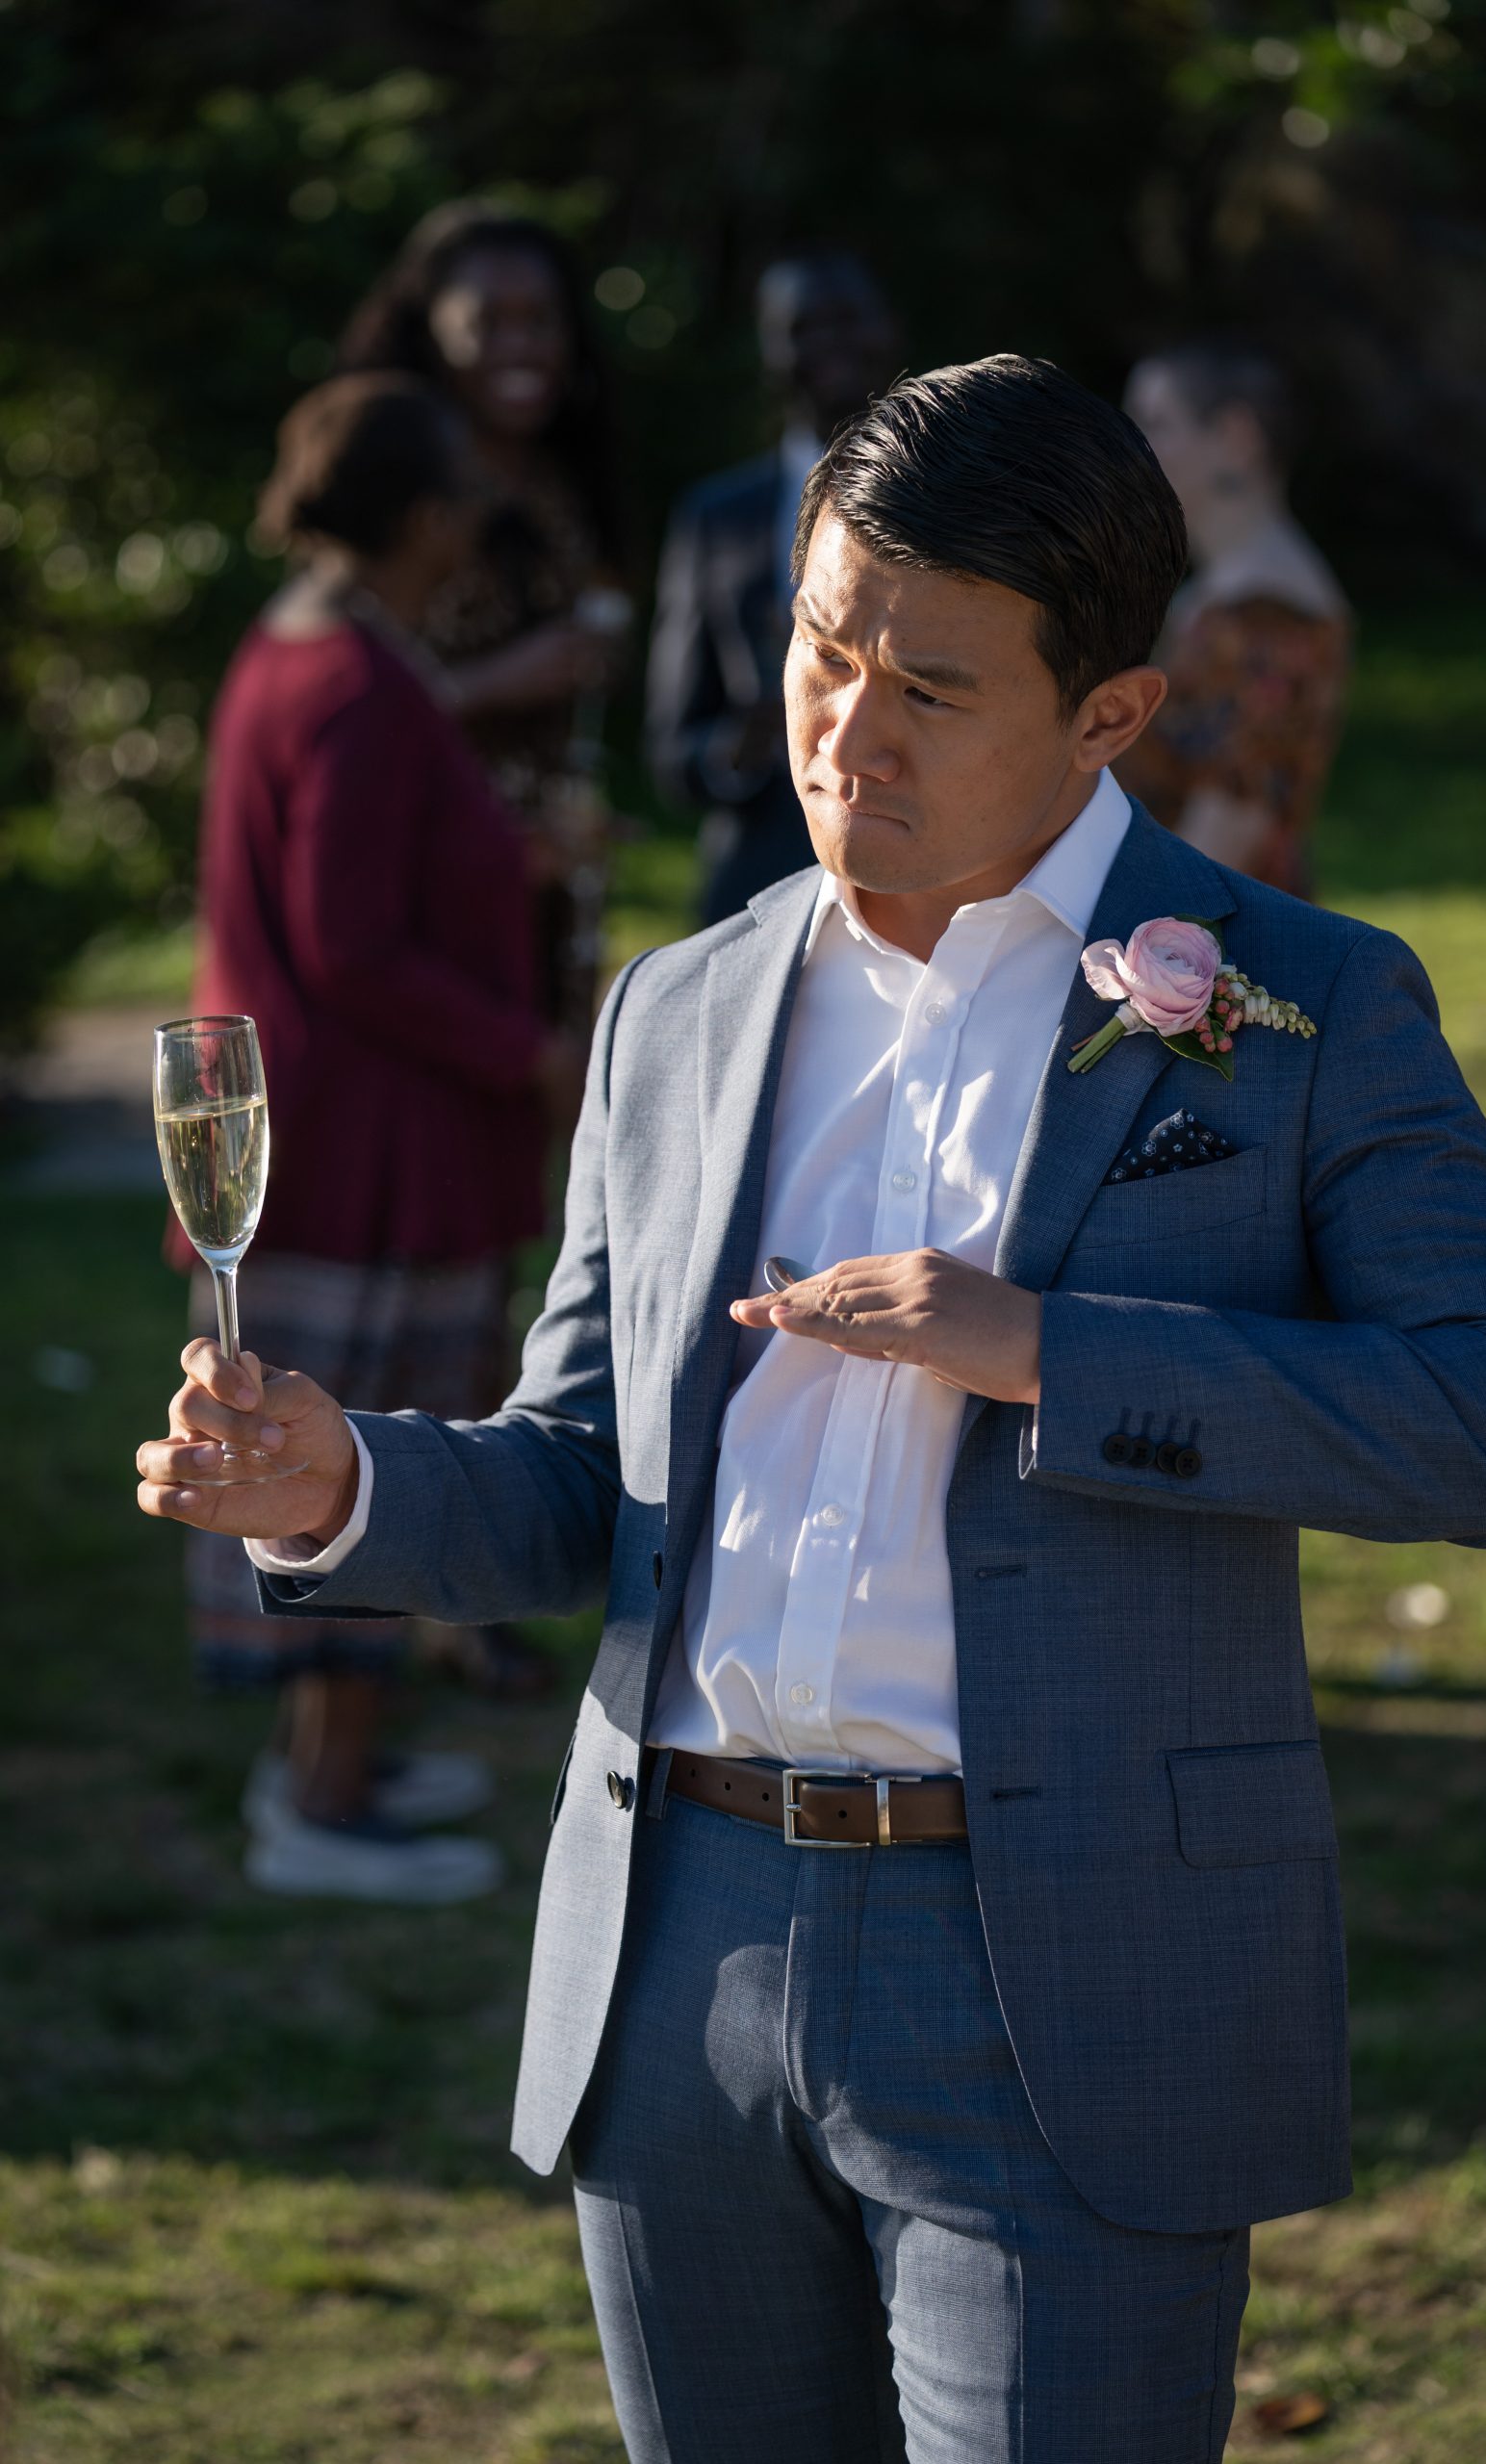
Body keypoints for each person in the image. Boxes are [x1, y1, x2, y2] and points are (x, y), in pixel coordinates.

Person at [137, 356, 1486, 2458]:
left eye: (929, 686)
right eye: (823, 651)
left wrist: (1049, 1350)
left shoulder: (1296, 1005)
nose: (845, 731)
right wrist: (346, 1484)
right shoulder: (677, 1008)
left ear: (1109, 713)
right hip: (679, 1952)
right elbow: (589, 1476)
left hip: (1066, 1966)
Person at [174, 371, 564, 1904]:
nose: (475, 512)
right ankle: (324, 1807)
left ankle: (329, 1767)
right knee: (349, 1457)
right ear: (414, 517)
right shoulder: (349, 680)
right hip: (363, 1151)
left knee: (348, 1436)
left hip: (335, 1133)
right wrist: (530, 1053)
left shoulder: (298, 646)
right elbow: (349, 942)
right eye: (457, 487)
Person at [340, 200, 632, 1048]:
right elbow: (336, 703)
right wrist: (498, 681)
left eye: (540, 321)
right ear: (430, 332)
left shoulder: (568, 478)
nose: (521, 346)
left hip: (552, 877)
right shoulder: (387, 497)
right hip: (424, 876)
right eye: (488, 322)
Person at [647, 250, 900, 925]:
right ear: (768, 350)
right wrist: (739, 747)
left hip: (921, 877)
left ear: (888, 331)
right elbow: (673, 747)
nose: (829, 343)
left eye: (846, 320)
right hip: (758, 880)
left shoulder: (958, 505)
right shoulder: (716, 518)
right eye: (801, 327)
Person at [1119, 340, 1350, 898]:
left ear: (1235, 439)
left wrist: (1136, 932)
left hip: (1200, 933)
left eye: (1155, 424)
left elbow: (1231, 819)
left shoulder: (1270, 611)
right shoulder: (1231, 595)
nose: (1131, 448)